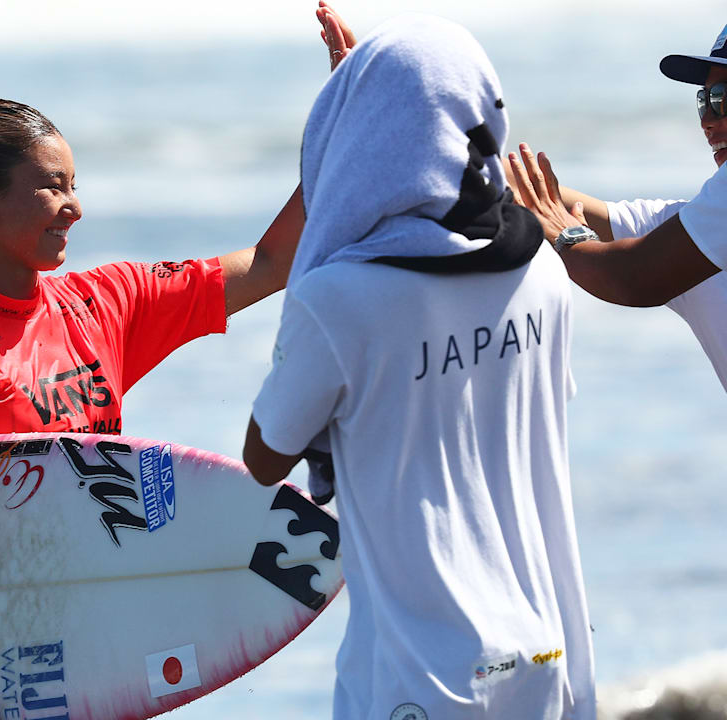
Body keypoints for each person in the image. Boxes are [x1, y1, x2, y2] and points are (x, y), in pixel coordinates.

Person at [0, 98, 304, 718]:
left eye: (75, 186)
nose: (75, 207)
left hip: (96, 653)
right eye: (52, 187)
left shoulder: (104, 304)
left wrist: (343, 125)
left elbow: (273, 264)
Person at [242, 11, 596, 719]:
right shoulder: (544, 270)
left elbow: (265, 456)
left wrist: (346, 142)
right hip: (550, 657)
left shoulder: (338, 301)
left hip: (421, 680)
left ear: (359, 137)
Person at [503, 26, 727, 392]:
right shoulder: (706, 233)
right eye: (705, 100)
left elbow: (633, 278)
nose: (708, 119)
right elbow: (549, 200)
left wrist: (568, 237)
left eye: (722, 98)